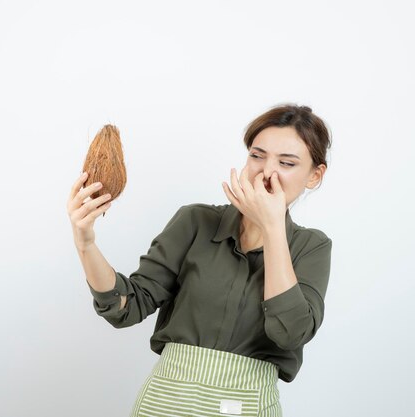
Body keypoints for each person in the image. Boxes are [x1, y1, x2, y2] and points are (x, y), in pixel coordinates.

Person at [66, 103, 333, 417]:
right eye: (257, 156)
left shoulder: (310, 247)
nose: (266, 172)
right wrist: (85, 242)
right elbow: (127, 307)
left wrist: (273, 227)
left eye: (286, 162)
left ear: (315, 175)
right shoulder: (195, 221)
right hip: (163, 405)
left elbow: (290, 333)